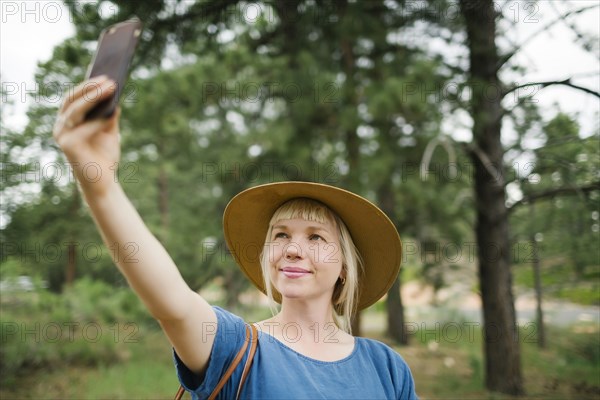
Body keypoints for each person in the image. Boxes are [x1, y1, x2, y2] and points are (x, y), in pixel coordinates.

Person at [53, 76, 418, 399]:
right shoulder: (236, 348)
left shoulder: (387, 368)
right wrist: (101, 187)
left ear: (344, 266)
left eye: (317, 238)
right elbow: (173, 305)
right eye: (280, 235)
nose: (292, 249)